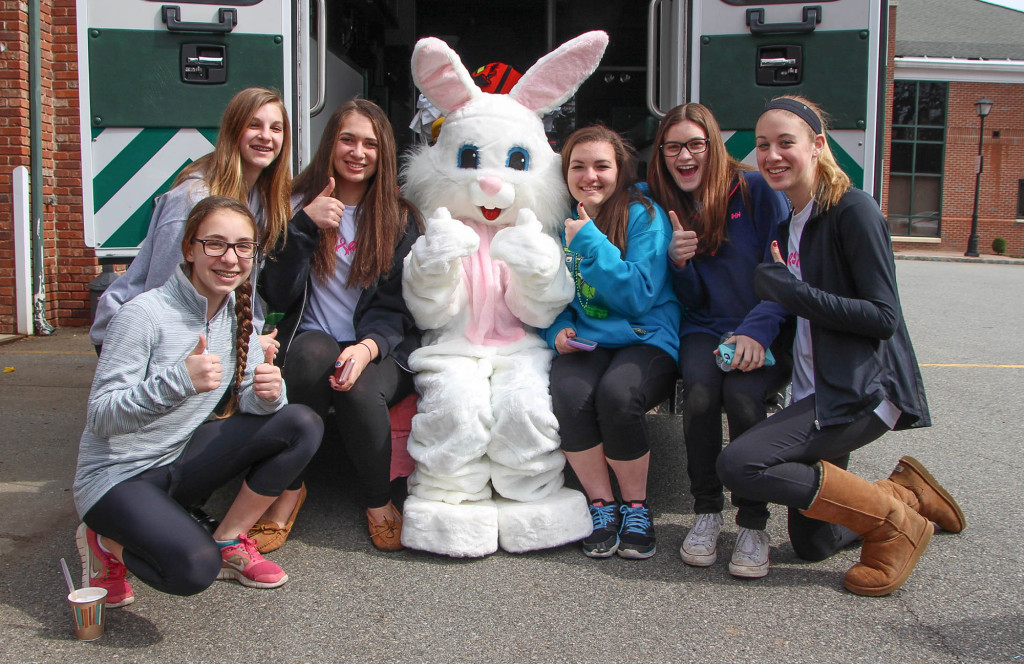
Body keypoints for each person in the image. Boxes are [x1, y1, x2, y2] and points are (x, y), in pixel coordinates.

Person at [717, 96, 965, 596]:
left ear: (818, 145)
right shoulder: (791, 220)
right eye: (763, 145)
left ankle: (896, 524)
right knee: (814, 543)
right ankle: (904, 492)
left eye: (787, 142)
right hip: (814, 387)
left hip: (859, 391)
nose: (772, 155)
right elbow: (794, 308)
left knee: (741, 464)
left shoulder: (855, 209)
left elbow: (883, 318)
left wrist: (793, 292)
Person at [73, 196, 322, 608]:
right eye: (216, 244)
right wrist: (178, 382)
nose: (231, 258)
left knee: (302, 423)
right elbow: (101, 416)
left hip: (177, 460)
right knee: (193, 570)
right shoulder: (143, 316)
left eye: (243, 246)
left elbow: (253, 403)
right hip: (116, 478)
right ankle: (104, 542)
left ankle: (228, 539)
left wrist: (269, 395)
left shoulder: (237, 316)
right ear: (189, 248)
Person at [259, 99, 422, 552]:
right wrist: (303, 229)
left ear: (383, 152)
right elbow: (276, 292)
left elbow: (400, 305)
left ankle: (377, 500)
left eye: (370, 143)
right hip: (313, 337)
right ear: (331, 143)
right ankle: (288, 489)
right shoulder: (296, 203)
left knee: (358, 387)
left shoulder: (399, 217)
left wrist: (368, 347)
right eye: (348, 139)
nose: (358, 152)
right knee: (312, 357)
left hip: (380, 346)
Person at [646, 103, 792, 578]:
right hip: (705, 327)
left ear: (712, 145)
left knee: (746, 399)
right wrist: (680, 263)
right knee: (702, 396)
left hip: (761, 322)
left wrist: (756, 330)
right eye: (673, 147)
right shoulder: (670, 202)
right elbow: (691, 299)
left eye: (694, 144)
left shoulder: (755, 191)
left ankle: (752, 522)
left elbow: (783, 275)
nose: (684, 156)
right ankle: (706, 511)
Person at [542, 125, 681, 559]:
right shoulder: (557, 220)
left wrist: (589, 241)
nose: (590, 176)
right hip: (588, 339)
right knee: (569, 393)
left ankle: (636, 506)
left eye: (602, 166)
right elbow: (552, 291)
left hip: (646, 336)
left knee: (619, 396)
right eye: (578, 166)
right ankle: (601, 504)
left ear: (620, 170)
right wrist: (555, 330)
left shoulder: (645, 215)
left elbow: (638, 295)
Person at [90, 86, 293, 356]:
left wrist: (249, 337)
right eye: (253, 125)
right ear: (233, 130)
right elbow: (162, 290)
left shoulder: (262, 200)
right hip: (137, 335)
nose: (266, 136)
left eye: (276, 128)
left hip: (207, 331)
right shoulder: (192, 200)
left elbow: (246, 287)